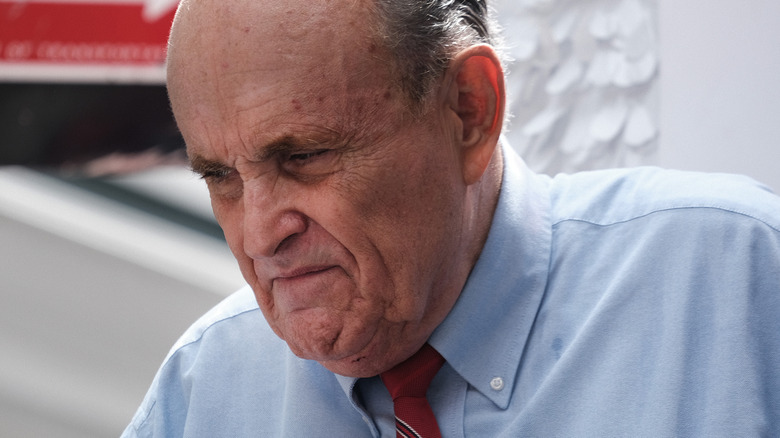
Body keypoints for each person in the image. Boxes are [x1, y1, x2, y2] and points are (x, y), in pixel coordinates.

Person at [123, 0, 780, 436]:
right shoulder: (206, 394)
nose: (261, 233)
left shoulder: (735, 281)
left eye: (304, 156)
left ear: (469, 111)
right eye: (220, 178)